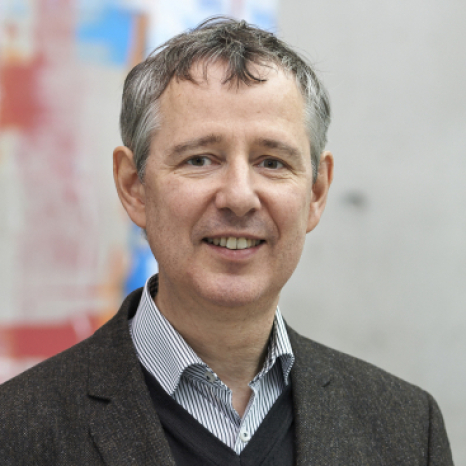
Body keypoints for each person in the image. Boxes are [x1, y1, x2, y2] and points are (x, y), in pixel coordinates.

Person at [0, 17, 453, 465]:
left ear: (316, 192)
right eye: (200, 159)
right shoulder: (16, 431)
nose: (239, 196)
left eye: (272, 162)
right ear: (134, 186)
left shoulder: (409, 431)